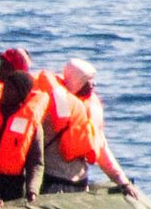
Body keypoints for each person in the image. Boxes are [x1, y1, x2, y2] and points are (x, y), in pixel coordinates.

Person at [0, 48, 54, 204]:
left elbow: (36, 163)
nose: (5, 92)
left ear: (21, 95)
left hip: (12, 185)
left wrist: (32, 190)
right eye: (5, 88)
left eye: (10, 90)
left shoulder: (32, 125)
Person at [49, 59, 136, 193]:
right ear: (76, 82)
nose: (93, 84)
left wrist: (122, 181)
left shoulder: (89, 111)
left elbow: (102, 150)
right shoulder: (52, 111)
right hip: (54, 183)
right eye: (87, 80)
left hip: (79, 182)